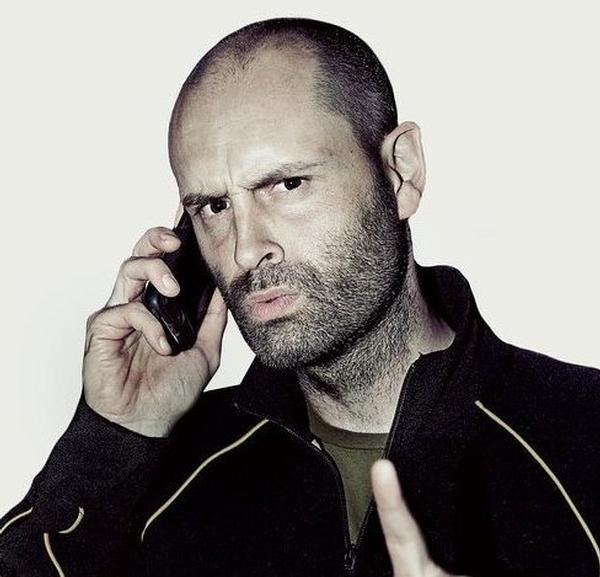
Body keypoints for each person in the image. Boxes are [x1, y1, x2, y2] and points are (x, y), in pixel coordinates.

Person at [0, 17, 598, 577]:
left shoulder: (583, 439)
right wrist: (112, 437)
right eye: (213, 206)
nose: (244, 251)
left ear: (401, 172)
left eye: (288, 184)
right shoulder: (161, 474)